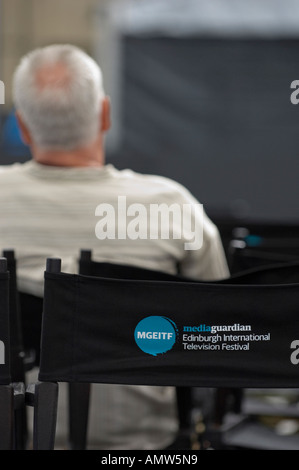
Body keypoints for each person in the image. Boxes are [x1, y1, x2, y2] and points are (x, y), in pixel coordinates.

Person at [0, 44, 229, 450]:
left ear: (22, 124)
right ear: (105, 113)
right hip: (145, 444)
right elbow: (220, 329)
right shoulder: (170, 206)